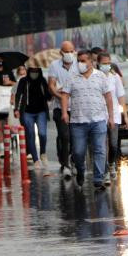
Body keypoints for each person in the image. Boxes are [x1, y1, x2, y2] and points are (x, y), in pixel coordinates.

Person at [61, 50, 113, 190]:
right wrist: (65, 112)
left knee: (100, 150)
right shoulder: (72, 77)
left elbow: (108, 97)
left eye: (84, 61)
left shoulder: (100, 76)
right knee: (78, 151)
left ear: (91, 62)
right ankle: (80, 170)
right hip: (78, 122)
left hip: (98, 120)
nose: (80, 63)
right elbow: (65, 95)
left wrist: (111, 117)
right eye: (79, 61)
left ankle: (98, 178)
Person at [98, 52, 128, 183]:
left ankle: (111, 164)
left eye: (108, 63)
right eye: (104, 63)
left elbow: (121, 96)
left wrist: (125, 116)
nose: (106, 65)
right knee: (101, 146)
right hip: (99, 115)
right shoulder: (95, 76)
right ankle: (104, 172)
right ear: (98, 64)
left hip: (114, 115)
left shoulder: (114, 77)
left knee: (113, 144)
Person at [48, 41, 78, 179]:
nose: (69, 54)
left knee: (74, 137)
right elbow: (51, 85)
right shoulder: (54, 66)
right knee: (64, 136)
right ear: (61, 52)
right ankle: (65, 164)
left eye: (71, 51)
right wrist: (60, 96)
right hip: (59, 108)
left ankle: (71, 159)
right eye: (66, 51)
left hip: (77, 108)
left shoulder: (79, 65)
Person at [14, 67, 51, 168]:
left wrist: (49, 91)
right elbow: (18, 95)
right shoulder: (23, 81)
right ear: (28, 71)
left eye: (36, 71)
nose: (34, 73)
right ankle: (35, 159)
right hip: (27, 112)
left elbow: (48, 96)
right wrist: (16, 109)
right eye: (32, 71)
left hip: (41, 111)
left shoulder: (42, 80)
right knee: (30, 134)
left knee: (42, 133)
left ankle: (43, 153)